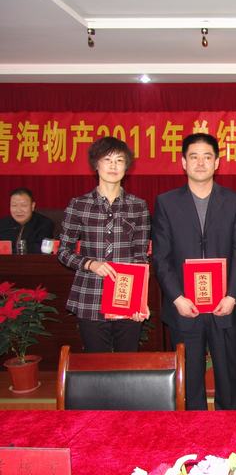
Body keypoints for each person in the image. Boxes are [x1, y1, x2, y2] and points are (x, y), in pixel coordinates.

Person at [152, 133, 236, 410]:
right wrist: (177, 298)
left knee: (228, 380)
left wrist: (232, 296)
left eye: (207, 157)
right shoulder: (166, 202)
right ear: (183, 162)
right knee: (190, 381)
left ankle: (230, 431)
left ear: (217, 163)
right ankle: (193, 432)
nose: (200, 163)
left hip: (224, 306)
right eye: (193, 157)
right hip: (185, 306)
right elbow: (161, 256)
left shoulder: (234, 201)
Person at [58, 137, 150, 352]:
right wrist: (91, 264)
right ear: (96, 164)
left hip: (126, 295)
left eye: (119, 160)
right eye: (107, 159)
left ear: (126, 167)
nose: (113, 166)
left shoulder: (138, 206)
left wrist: (139, 300)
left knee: (127, 362)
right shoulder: (79, 205)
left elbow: (140, 257)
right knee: (96, 363)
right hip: (90, 295)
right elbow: (63, 252)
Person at [0, 188, 54, 253]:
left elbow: (41, 249)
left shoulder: (44, 224)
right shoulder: (2, 224)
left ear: (32, 206)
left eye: (23, 205)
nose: (18, 210)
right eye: (14, 205)